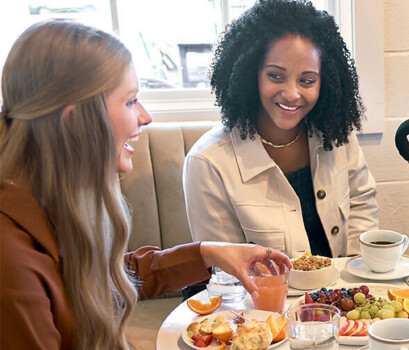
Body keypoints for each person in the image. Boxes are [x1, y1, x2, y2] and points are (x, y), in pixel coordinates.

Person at [0, 20, 291, 349]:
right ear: (76, 122)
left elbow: (114, 274)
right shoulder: (11, 265)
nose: (145, 116)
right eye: (129, 101)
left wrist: (211, 253)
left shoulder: (42, 204)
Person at [183, 0, 378, 259]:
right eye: (276, 76)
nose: (292, 94)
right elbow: (226, 271)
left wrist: (353, 284)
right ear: (250, 73)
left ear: (326, 82)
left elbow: (362, 209)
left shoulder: (337, 136)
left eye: (307, 81)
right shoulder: (208, 162)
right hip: (261, 298)